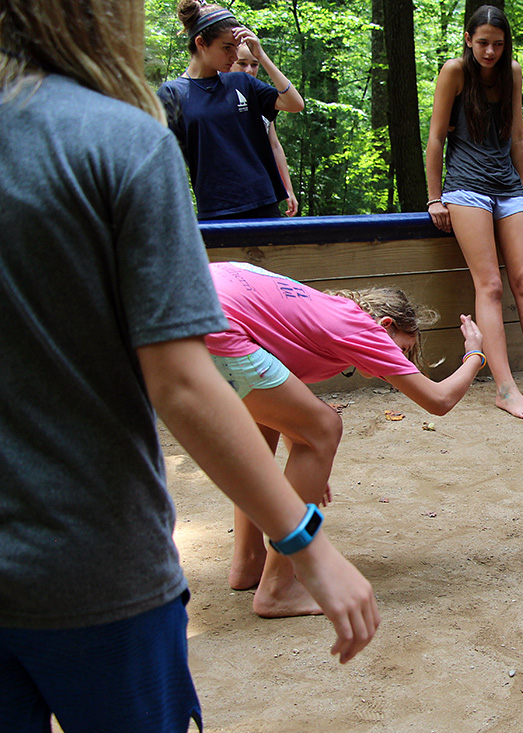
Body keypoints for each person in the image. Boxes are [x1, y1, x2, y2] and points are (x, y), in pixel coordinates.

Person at [0, 1, 378, 729]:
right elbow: (181, 383)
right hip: (91, 567)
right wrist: (307, 543)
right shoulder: (119, 141)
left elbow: (284, 107)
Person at [205, 262, 486, 617]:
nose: (397, 361)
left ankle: (249, 563)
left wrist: (307, 462)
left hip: (187, 306)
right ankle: (277, 588)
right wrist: (475, 354)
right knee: (325, 426)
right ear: (387, 325)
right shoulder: (362, 328)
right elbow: (438, 400)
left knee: (266, 424)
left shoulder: (324, 309)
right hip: (218, 320)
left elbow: (285, 401)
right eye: (401, 349)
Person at [425, 5, 523, 420]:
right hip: (466, 188)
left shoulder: (512, 72)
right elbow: (436, 139)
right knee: (489, 284)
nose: (490, 50)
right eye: (483, 42)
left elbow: (517, 136)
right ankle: (505, 389)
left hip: (508, 188)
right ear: (469, 40)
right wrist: (434, 198)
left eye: (498, 43)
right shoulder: (454, 71)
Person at [157, 0, 304, 219]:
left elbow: (294, 104)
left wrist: (261, 55)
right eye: (227, 48)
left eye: (235, 48)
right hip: (215, 208)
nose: (234, 56)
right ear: (201, 43)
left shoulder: (241, 82)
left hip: (263, 201)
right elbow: (167, 162)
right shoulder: (172, 94)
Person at [233, 42, 299, 216]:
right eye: (242, 63)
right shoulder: (219, 96)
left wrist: (288, 190)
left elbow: (275, 145)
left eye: (254, 64)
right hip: (233, 196)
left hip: (264, 192)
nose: (249, 70)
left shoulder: (259, 96)